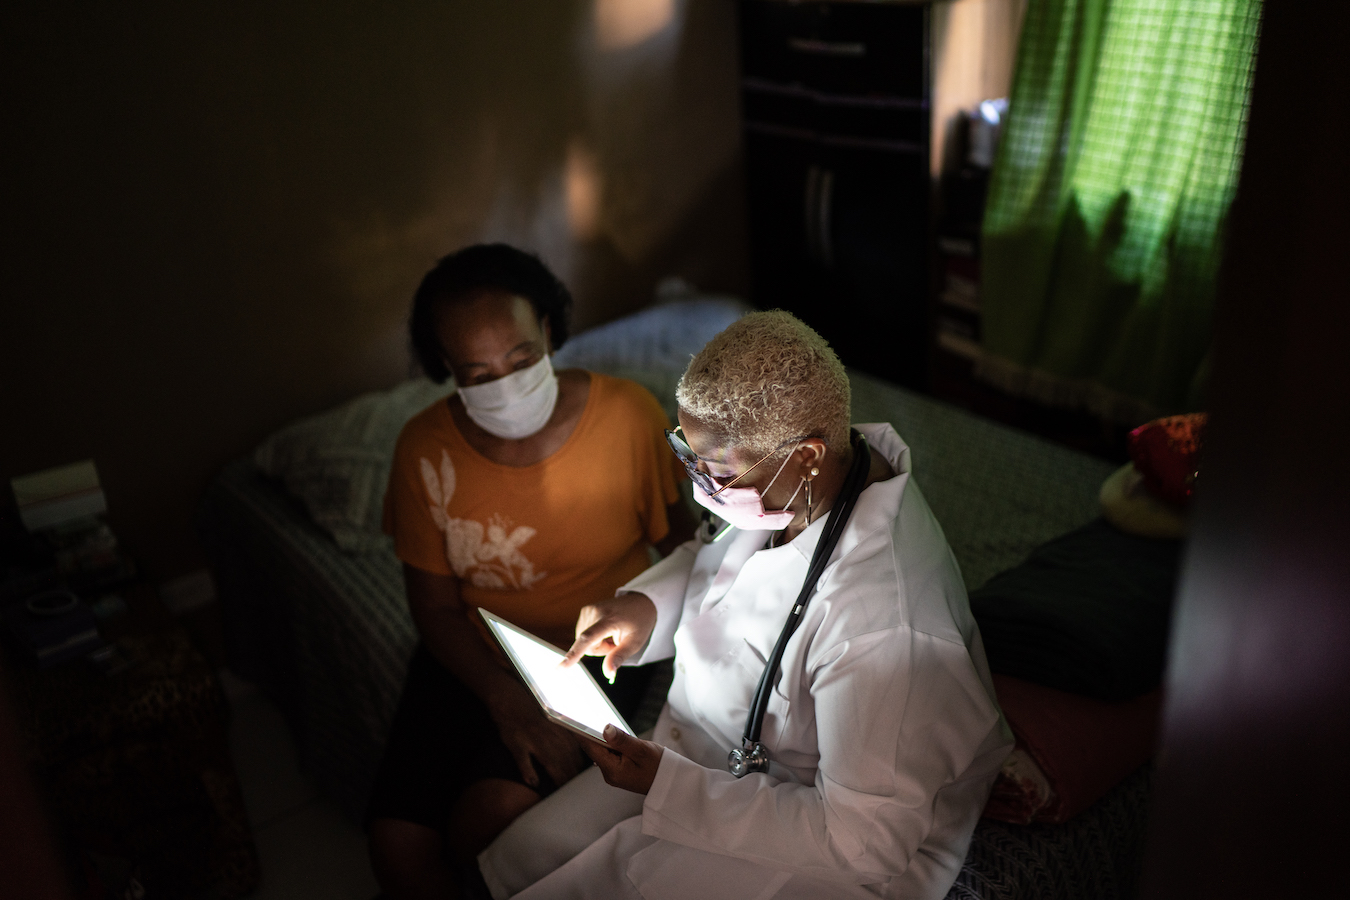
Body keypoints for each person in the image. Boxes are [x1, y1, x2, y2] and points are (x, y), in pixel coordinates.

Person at [478, 311, 1014, 900]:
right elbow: (727, 559)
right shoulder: (810, 477)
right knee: (521, 857)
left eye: (715, 471)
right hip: (710, 755)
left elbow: (865, 842)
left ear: (806, 456)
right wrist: (645, 609)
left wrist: (671, 788)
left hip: (823, 838)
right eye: (687, 455)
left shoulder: (881, 624)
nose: (699, 486)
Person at [368, 244, 694, 900]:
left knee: (491, 821)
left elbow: (687, 546)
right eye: (478, 374)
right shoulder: (424, 449)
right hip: (475, 649)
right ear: (446, 370)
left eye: (520, 360)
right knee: (398, 845)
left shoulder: (628, 416)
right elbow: (432, 608)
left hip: (594, 650)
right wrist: (503, 695)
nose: (506, 386)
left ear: (547, 328)